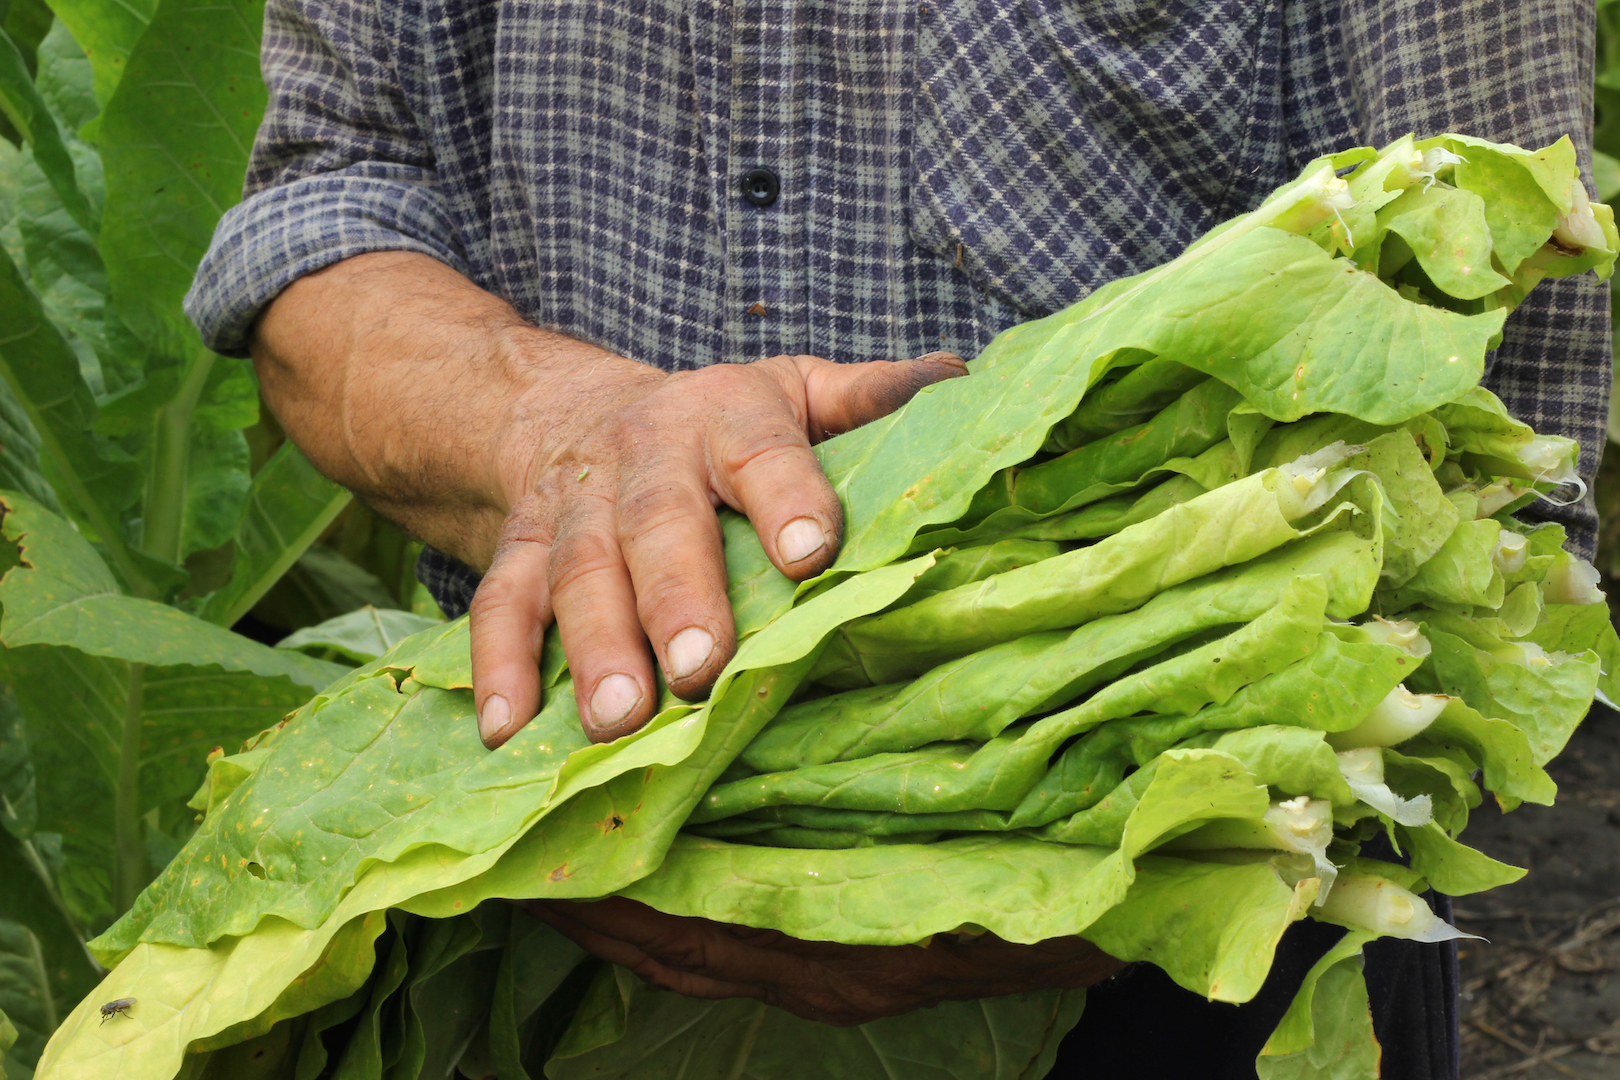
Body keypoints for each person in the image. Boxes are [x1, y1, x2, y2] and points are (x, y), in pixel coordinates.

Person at [187, 2, 1608, 1075]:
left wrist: (1079, 860)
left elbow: (1506, 352)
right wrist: (560, 432)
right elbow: (329, 205)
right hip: (558, 871)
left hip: (1198, 943)